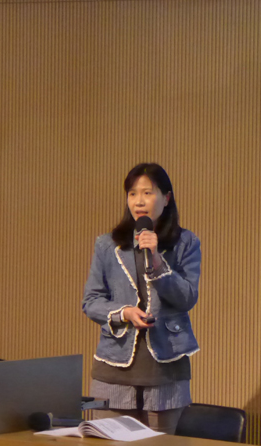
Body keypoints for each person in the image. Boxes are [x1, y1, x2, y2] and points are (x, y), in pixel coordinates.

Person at [82, 163, 201, 434]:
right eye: (132, 194)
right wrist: (124, 313)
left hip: (166, 368)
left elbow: (187, 298)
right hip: (114, 366)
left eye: (147, 193)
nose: (139, 201)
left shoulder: (186, 243)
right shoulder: (107, 244)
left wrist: (157, 260)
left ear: (166, 198)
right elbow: (91, 301)